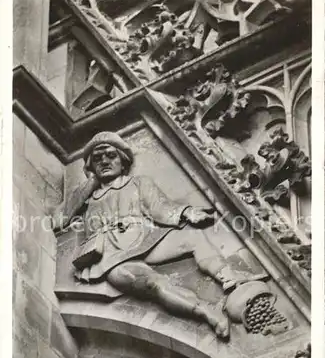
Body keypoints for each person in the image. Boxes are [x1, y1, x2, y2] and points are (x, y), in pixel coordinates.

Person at [53, 131, 242, 341]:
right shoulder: (88, 199)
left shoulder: (138, 183)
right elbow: (60, 220)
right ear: (91, 168)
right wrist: (89, 185)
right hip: (110, 256)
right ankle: (206, 312)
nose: (104, 161)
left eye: (110, 155)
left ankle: (228, 277)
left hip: (144, 238)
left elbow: (159, 208)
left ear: (123, 161)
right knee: (154, 284)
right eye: (97, 159)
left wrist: (187, 212)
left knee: (193, 238)